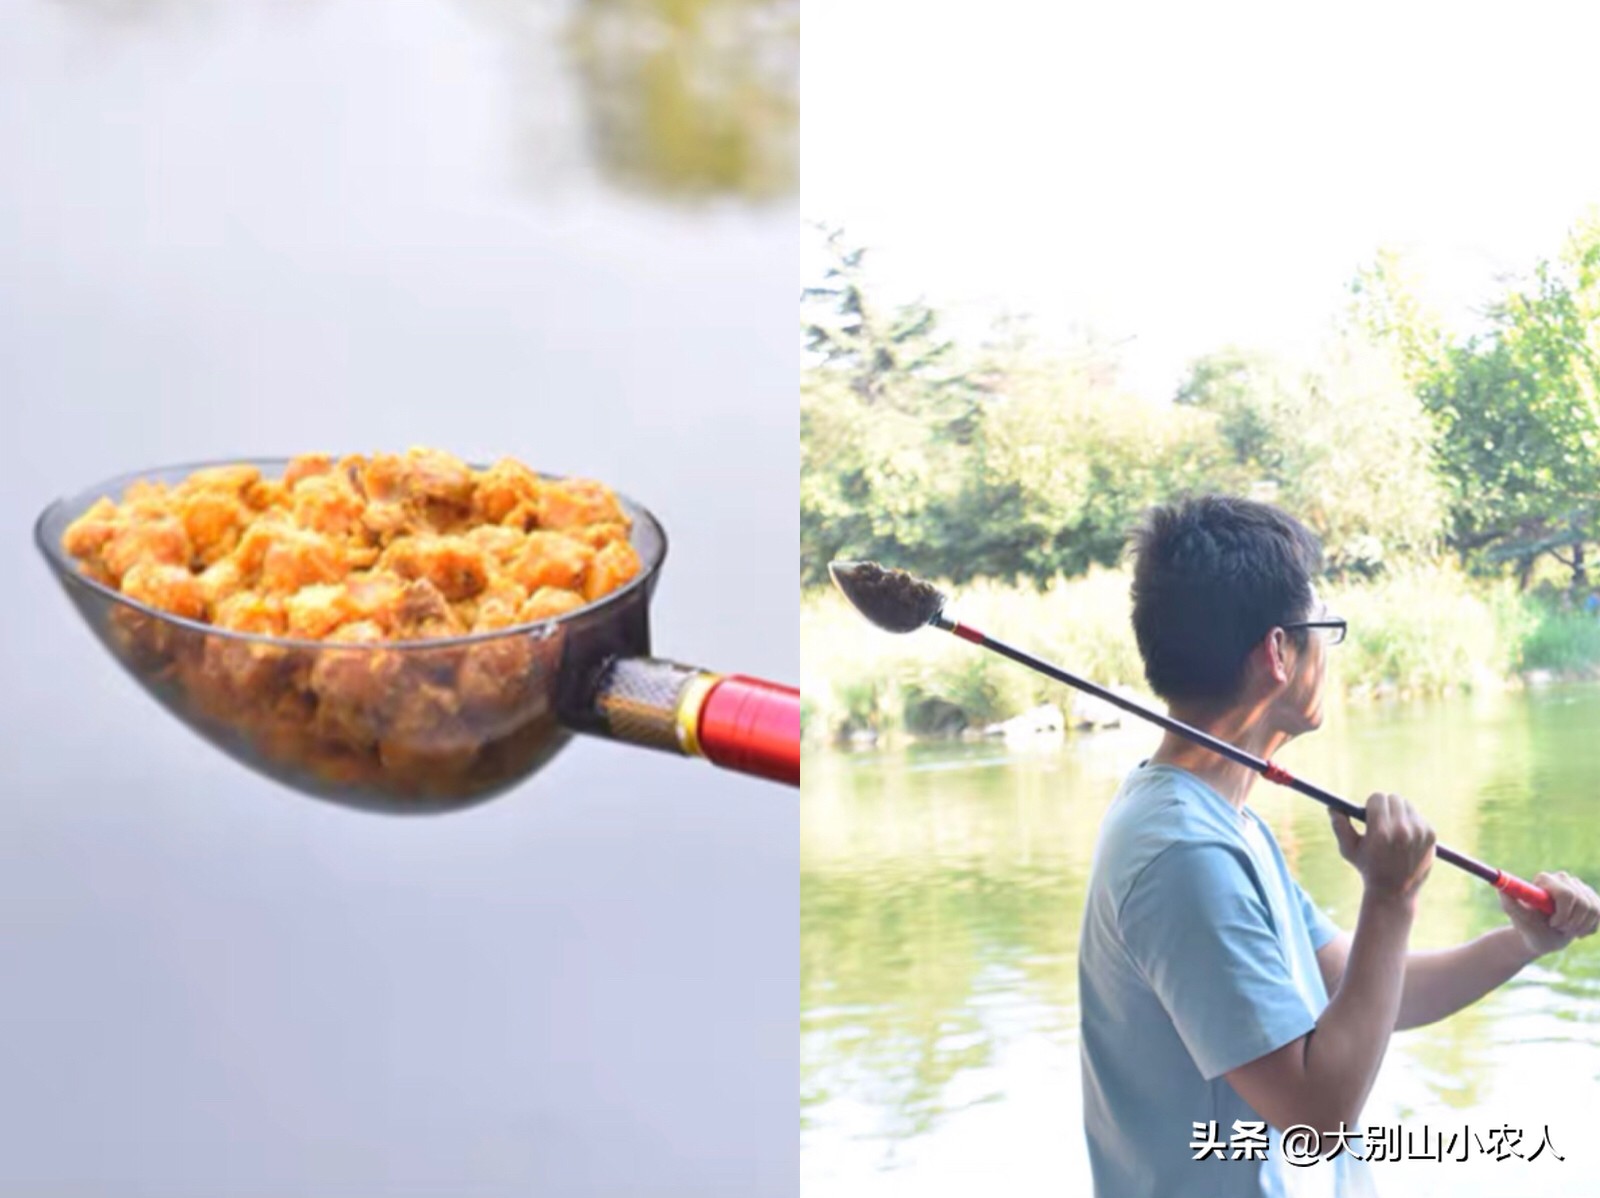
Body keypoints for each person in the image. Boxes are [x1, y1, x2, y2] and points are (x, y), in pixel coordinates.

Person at [1077, 495, 1600, 1198]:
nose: (1330, 649)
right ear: (1278, 651)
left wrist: (1526, 943)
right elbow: (1317, 1120)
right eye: (1324, 628)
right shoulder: (1182, 854)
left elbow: (1371, 990)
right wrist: (1391, 899)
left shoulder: (1224, 825)